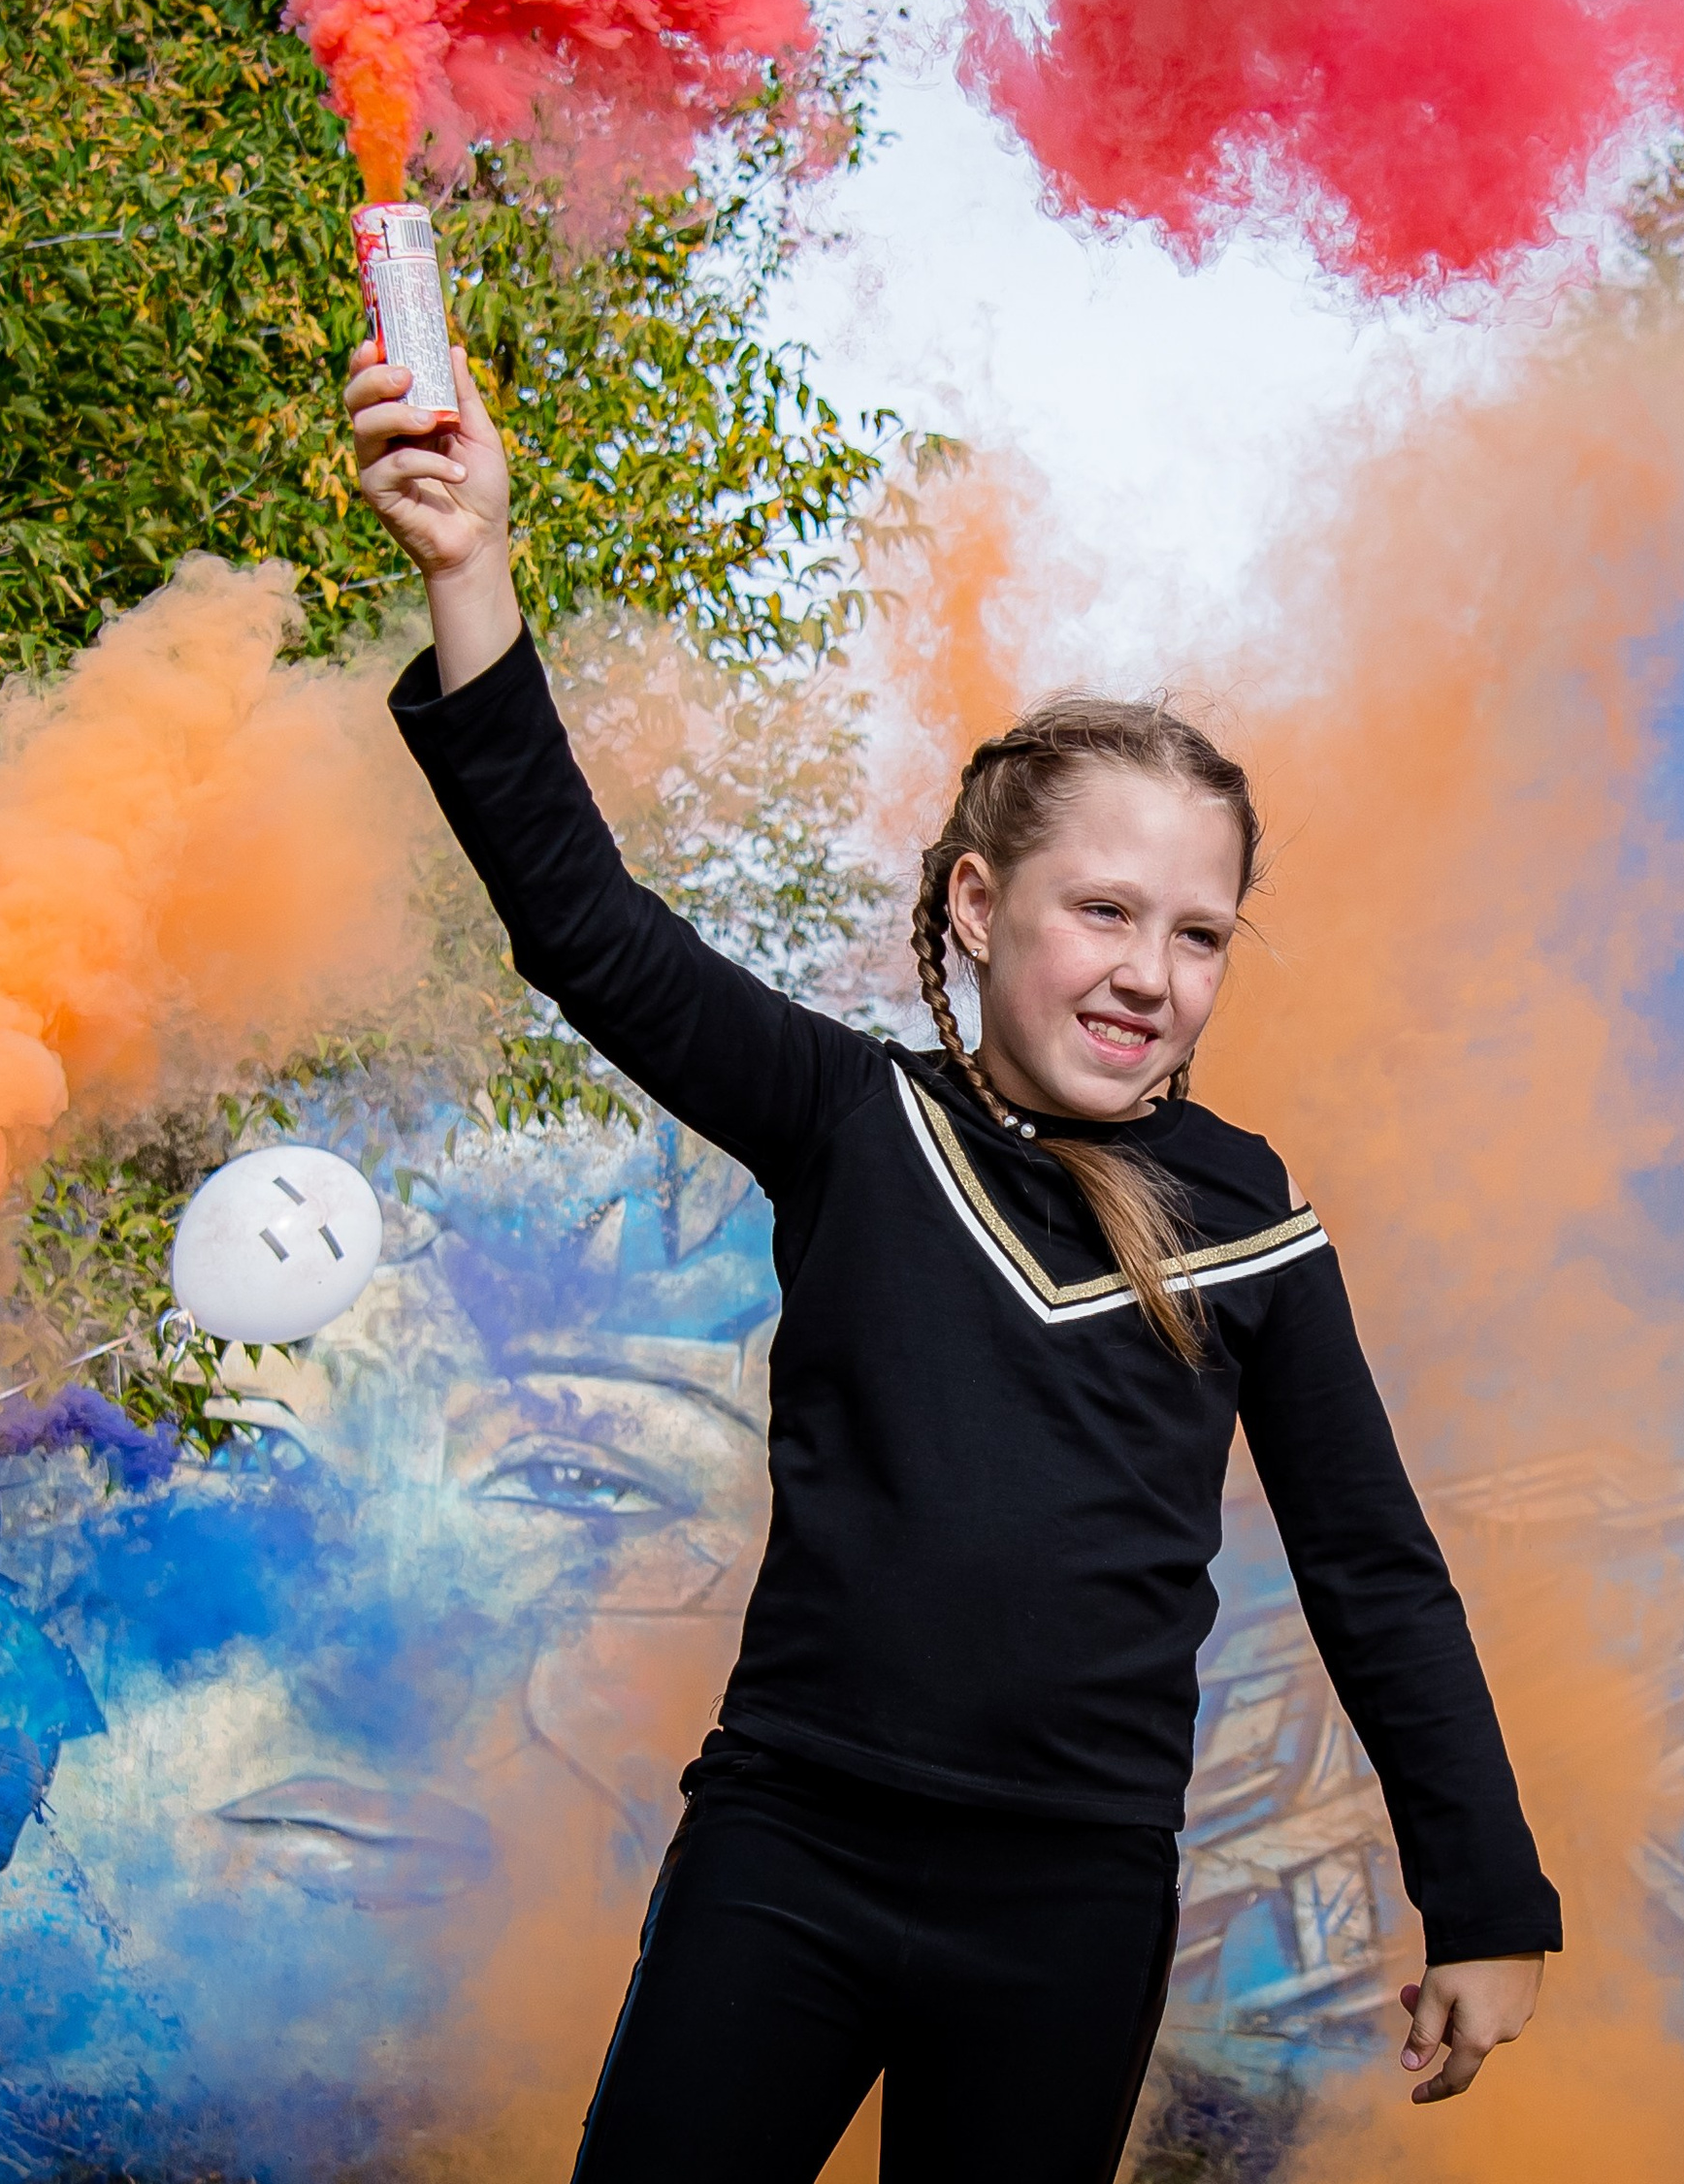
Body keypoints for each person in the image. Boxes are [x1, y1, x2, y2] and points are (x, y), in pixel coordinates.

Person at [347, 338, 1563, 2184]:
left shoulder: (1256, 1224)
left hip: (1068, 1908)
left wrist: (1484, 1895)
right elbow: (582, 925)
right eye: (1105, 910)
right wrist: (470, 571)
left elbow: (1376, 1574)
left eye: (1203, 933)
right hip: (789, 1854)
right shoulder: (854, 1122)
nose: (1152, 971)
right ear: (983, 909)